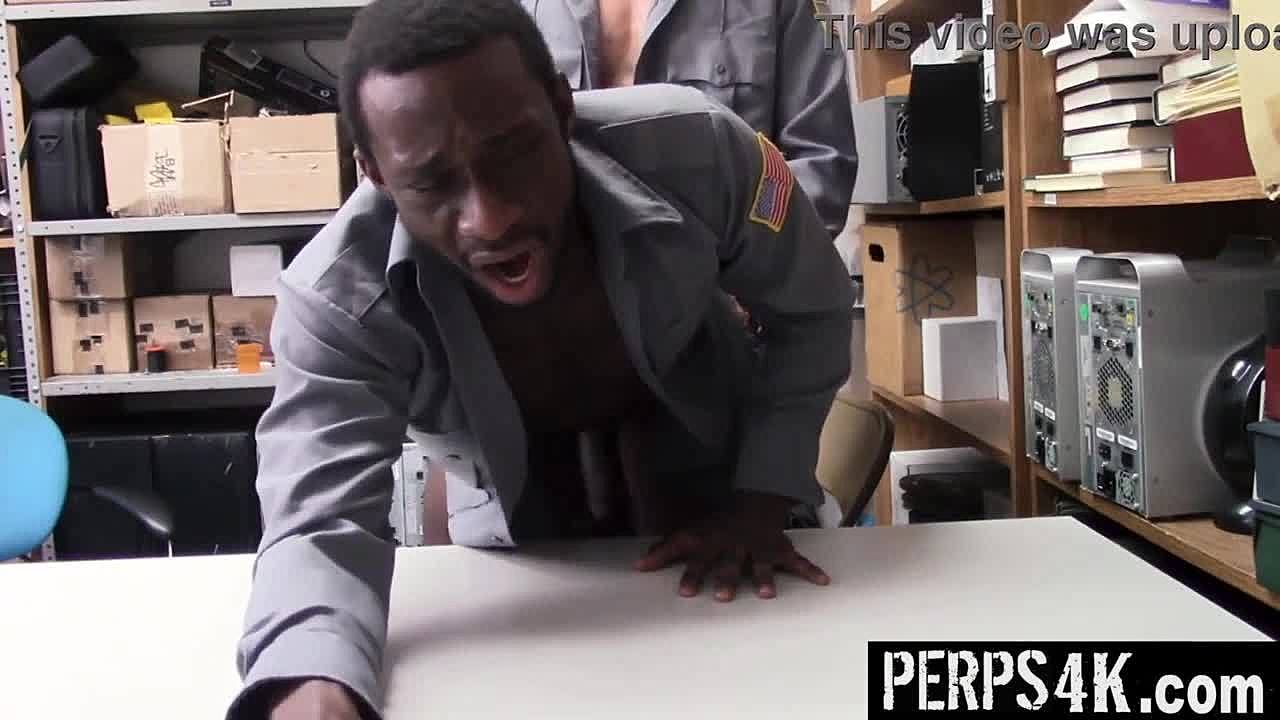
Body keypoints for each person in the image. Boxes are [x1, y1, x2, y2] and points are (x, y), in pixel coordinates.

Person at [229, 0, 853, 718]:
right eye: (432, 183)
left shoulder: (705, 152)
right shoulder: (335, 301)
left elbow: (810, 309)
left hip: (720, 509)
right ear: (372, 172)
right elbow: (316, 520)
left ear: (561, 107)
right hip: (511, 547)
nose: (491, 219)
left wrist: (763, 496)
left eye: (515, 153)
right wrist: (314, 685)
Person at [519, 0, 858, 240]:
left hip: (728, 301)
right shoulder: (527, 8)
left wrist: (757, 259)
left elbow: (818, 160)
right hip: (576, 297)